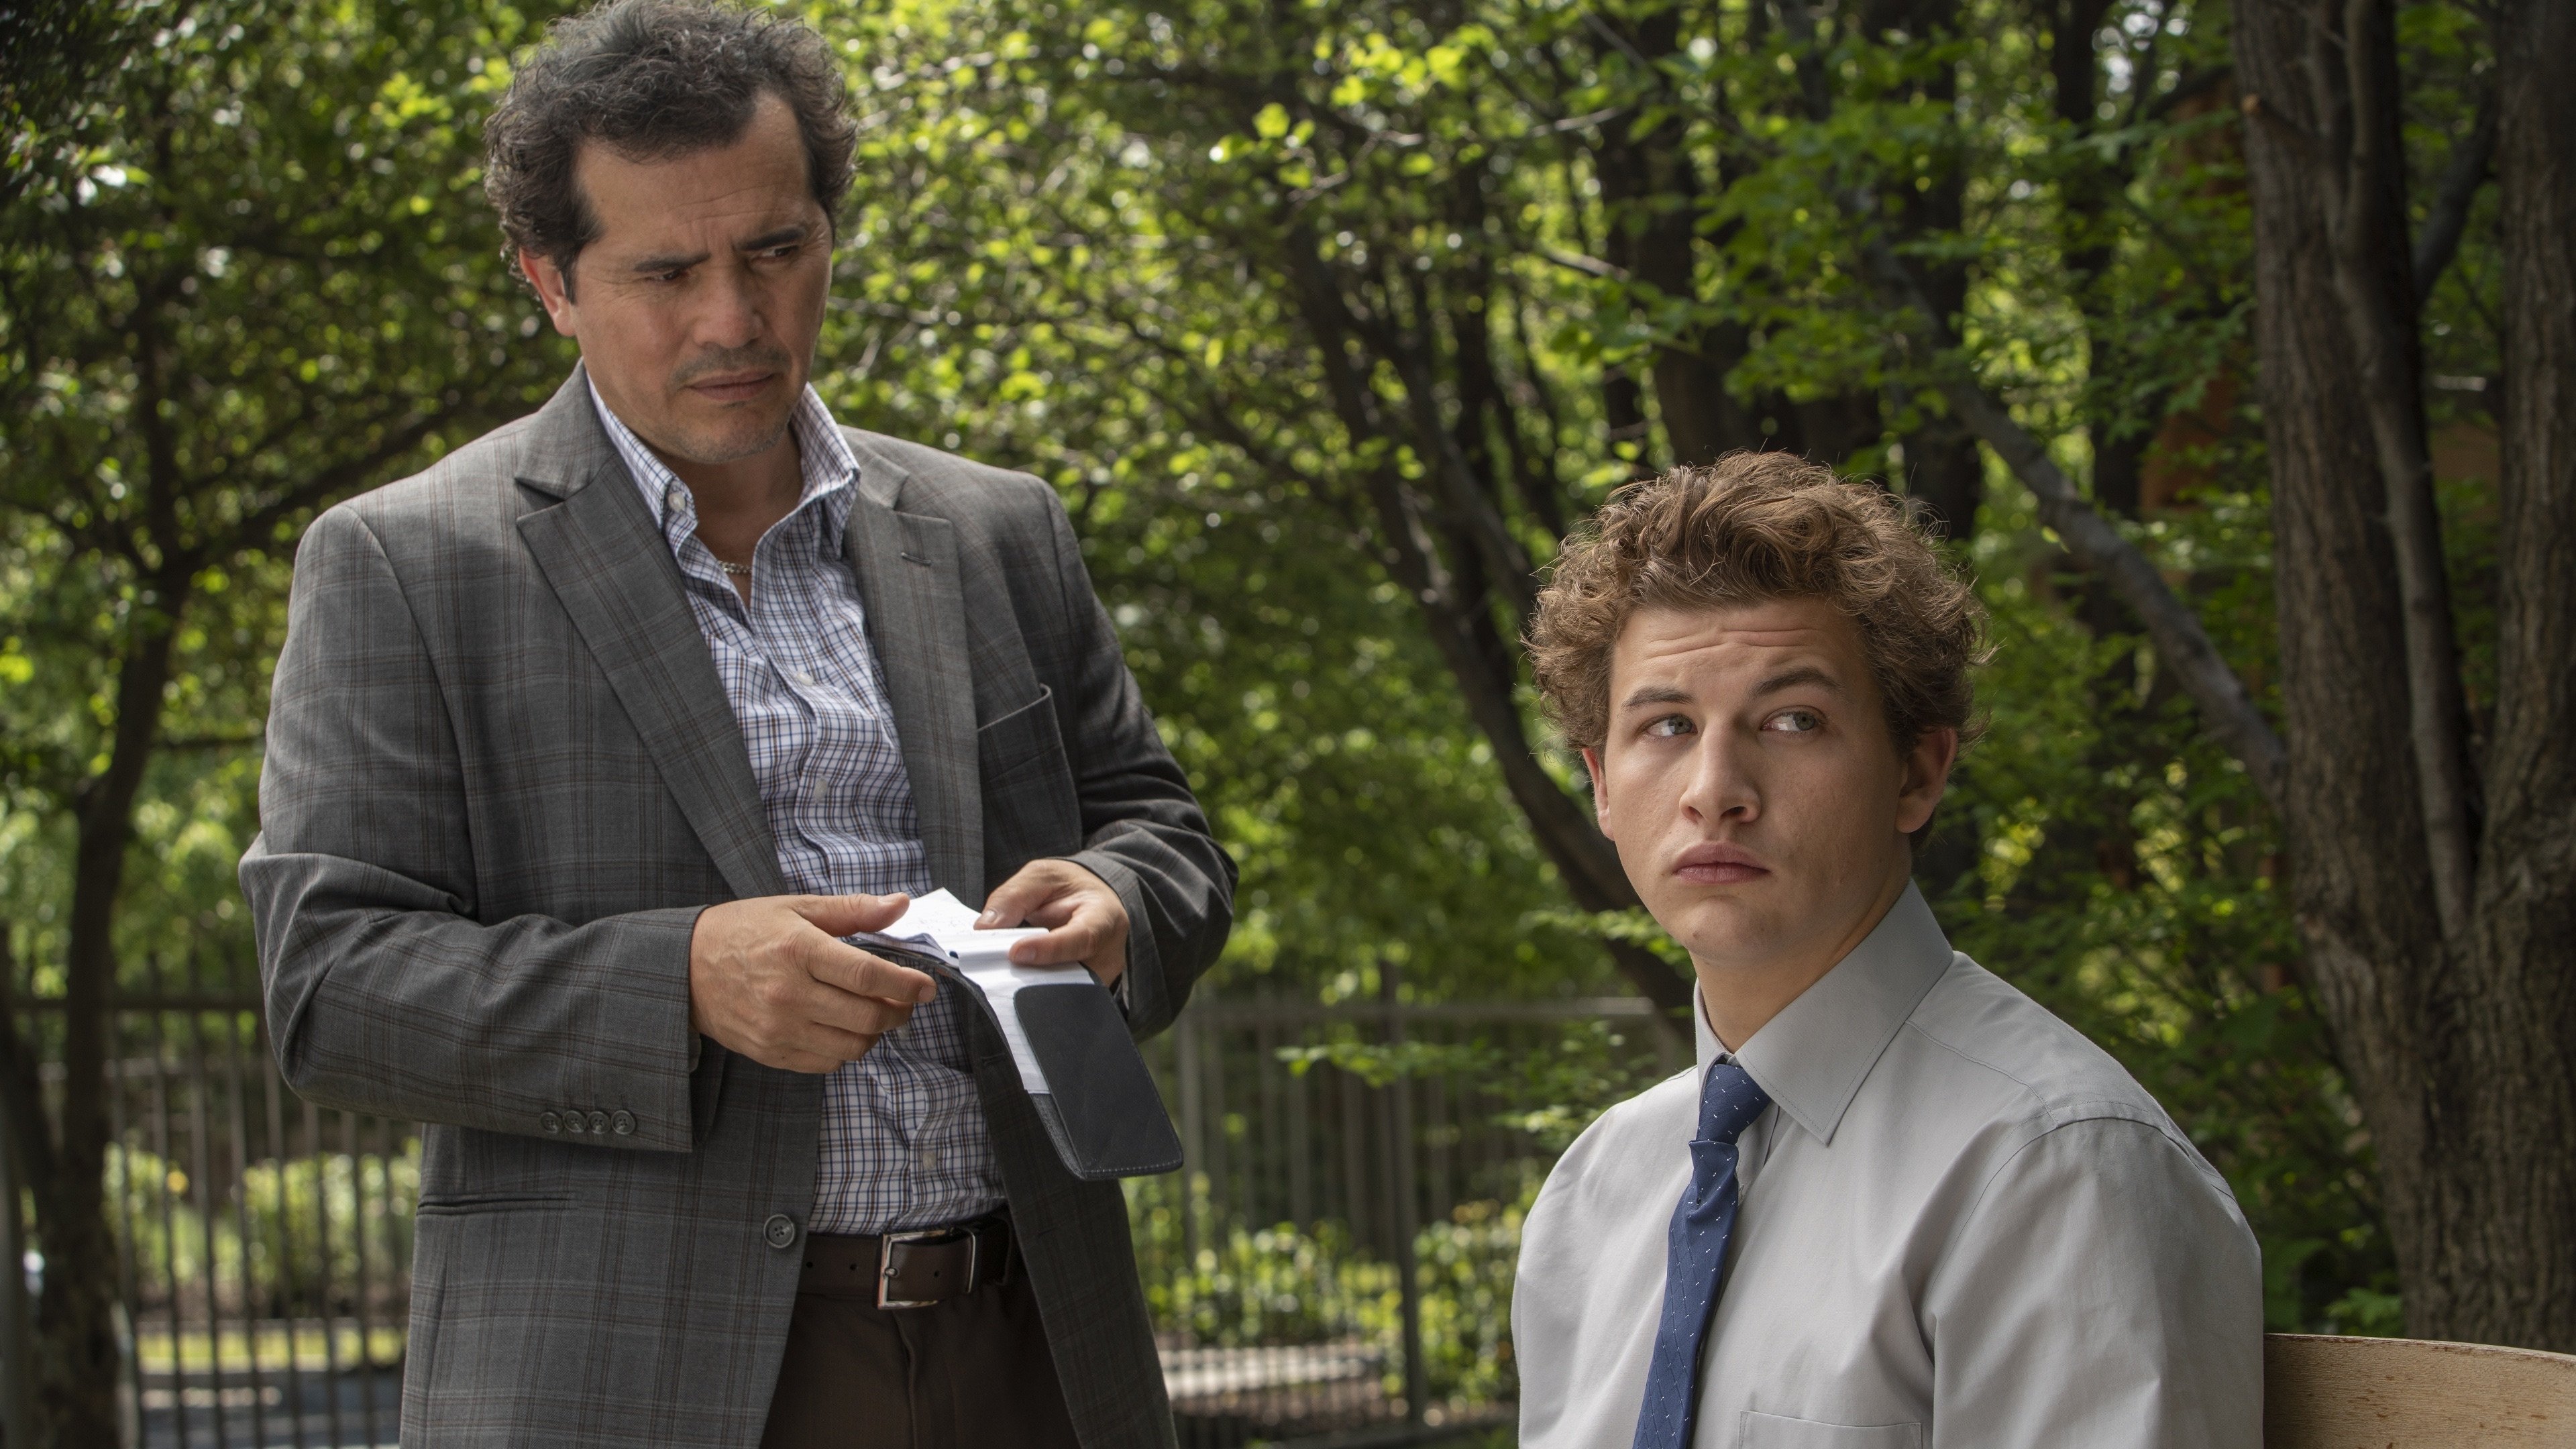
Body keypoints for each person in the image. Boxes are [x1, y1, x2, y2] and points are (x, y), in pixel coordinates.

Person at [237, 3, 1234, 1445]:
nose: (734, 320)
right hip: (635, 1381)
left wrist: (1121, 902)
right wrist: (682, 983)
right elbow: (329, 989)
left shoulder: (997, 528)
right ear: (550, 281)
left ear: (829, 232)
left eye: (776, 250)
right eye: (666, 272)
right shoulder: (405, 563)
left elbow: (1162, 827)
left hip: (1037, 1349)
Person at [1511, 455, 2261, 1448]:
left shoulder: (2055, 1168)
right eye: (1668, 725)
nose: (1715, 789)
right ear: (1603, 786)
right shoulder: (1596, 1192)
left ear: (1917, 773)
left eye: (1793, 720)